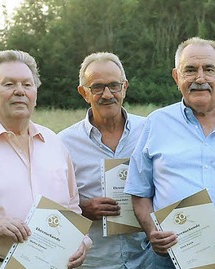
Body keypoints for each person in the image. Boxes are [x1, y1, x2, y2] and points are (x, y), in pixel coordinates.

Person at [125, 37, 215, 268]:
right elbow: (140, 192)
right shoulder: (156, 123)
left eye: (209, 69)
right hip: (169, 260)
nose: (199, 78)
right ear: (176, 77)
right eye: (190, 70)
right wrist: (152, 231)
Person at [0, 50, 89, 269]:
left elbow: (71, 208)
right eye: (9, 84)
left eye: (27, 85)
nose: (20, 91)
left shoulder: (54, 144)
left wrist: (82, 242)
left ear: (35, 95)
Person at [59, 52, 155, 268]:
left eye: (114, 85)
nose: (107, 94)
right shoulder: (63, 143)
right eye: (97, 87)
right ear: (84, 93)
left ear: (125, 87)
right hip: (95, 261)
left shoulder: (150, 131)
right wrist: (83, 209)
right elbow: (52, 207)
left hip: (146, 260)